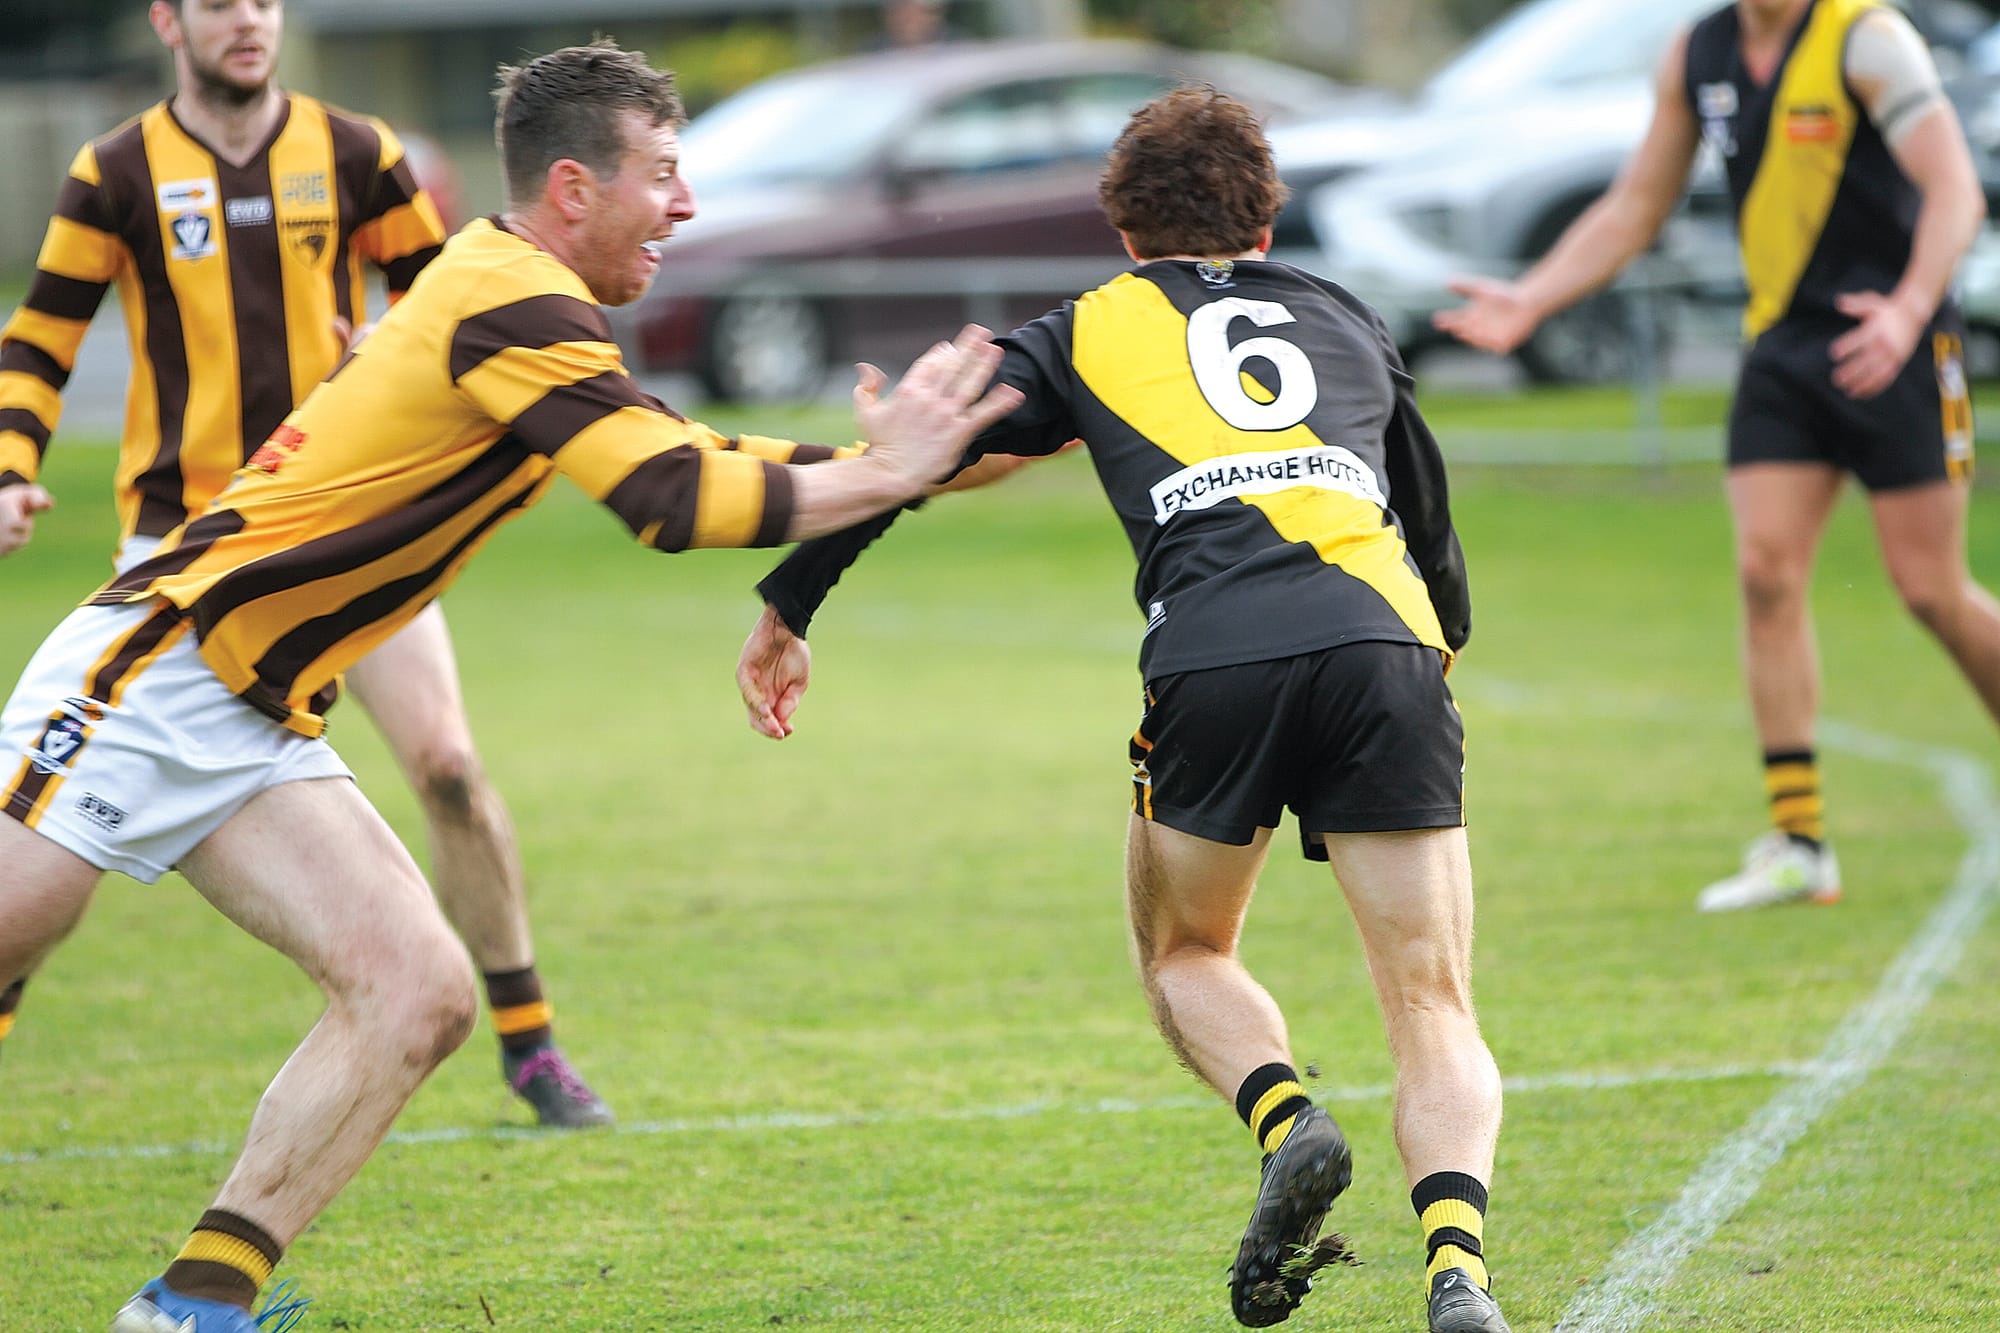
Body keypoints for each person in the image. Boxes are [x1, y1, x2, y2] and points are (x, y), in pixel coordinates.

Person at [0, 38, 1020, 1331]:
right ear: (577, 189)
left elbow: (686, 448)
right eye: (664, 173)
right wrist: (887, 473)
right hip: (155, 666)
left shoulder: (524, 300)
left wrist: (904, 464)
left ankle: (194, 1307)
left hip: (253, 714)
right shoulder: (507, 294)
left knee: (417, 993)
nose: (688, 204)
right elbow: (667, 498)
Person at [736, 88, 1511, 1333]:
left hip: (1214, 655)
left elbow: (918, 452)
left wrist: (790, 601)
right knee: (1430, 1001)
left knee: (1186, 950)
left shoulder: (1083, 327)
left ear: (1119, 227)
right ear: (1264, 220)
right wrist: (1430, 664)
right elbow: (1428, 523)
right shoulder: (1344, 316)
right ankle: (1456, 1271)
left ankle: (1287, 1120)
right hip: (1385, 647)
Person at [0, 0, 615, 1125]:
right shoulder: (116, 169)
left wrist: (396, 340)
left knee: (449, 768)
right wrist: (9, 464)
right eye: (221, 4)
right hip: (183, 552)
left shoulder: (356, 153)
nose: (249, 21)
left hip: (346, 536)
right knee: (56, 837)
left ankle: (529, 1043)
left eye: (265, 2)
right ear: (168, 22)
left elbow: (459, 300)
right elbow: (42, 334)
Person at [1434, 0, 1997, 912]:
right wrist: (1532, 300)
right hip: (1783, 350)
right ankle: (1799, 839)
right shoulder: (1699, 53)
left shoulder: (1866, 36)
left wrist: (1905, 308)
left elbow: (1955, 190)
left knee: (1931, 590)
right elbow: (1636, 205)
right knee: (1765, 572)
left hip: (1893, 342)